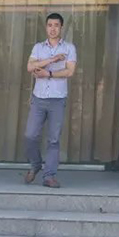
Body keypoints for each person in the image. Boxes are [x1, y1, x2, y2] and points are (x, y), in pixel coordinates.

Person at [23, 13, 77, 188]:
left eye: (56, 25)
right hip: (38, 98)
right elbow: (30, 67)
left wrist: (49, 73)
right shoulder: (38, 48)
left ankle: (49, 176)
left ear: (61, 27)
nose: (53, 29)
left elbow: (70, 71)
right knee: (30, 135)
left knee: (53, 139)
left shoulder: (69, 48)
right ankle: (35, 164)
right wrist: (53, 59)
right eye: (50, 25)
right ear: (46, 27)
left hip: (57, 99)